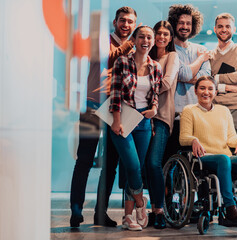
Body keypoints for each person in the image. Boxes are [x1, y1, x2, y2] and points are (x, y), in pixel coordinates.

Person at [69, 6, 137, 228]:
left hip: (116, 108)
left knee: (111, 165)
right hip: (92, 104)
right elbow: (108, 58)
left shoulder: (133, 48)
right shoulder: (101, 40)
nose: (126, 25)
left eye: (130, 22)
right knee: (85, 160)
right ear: (115, 21)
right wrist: (130, 44)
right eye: (123, 20)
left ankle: (101, 213)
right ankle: (76, 211)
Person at [179, 76, 237, 227]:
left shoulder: (223, 111)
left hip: (225, 158)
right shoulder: (189, 111)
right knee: (223, 158)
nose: (206, 92)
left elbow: (231, 138)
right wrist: (193, 140)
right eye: (202, 88)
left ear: (215, 92)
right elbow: (183, 138)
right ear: (195, 91)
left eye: (210, 89)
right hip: (204, 157)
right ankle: (230, 208)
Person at [109, 25, 161, 231]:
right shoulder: (122, 62)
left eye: (149, 37)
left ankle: (128, 216)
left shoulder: (155, 66)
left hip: (144, 121)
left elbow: (155, 92)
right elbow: (114, 92)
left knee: (137, 169)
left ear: (153, 41)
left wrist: (154, 109)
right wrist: (116, 119)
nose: (145, 41)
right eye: (141, 37)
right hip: (123, 119)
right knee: (131, 165)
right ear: (134, 39)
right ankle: (141, 202)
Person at [165, 4, 211, 159]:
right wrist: (200, 59)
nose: (185, 27)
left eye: (188, 23)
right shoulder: (169, 49)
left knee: (196, 161)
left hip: (196, 115)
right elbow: (185, 74)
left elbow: (205, 79)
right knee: (169, 158)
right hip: (174, 115)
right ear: (174, 24)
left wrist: (185, 75)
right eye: (181, 23)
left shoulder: (199, 48)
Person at [146, 20, 180, 229]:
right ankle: (147, 210)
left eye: (166, 34)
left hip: (161, 116)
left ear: (170, 38)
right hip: (141, 116)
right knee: (143, 166)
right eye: (158, 33)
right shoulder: (146, 56)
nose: (161, 37)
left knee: (153, 163)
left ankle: (159, 210)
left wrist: (140, 91)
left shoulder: (172, 57)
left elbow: (166, 83)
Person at [209, 13, 237, 140]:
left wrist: (216, 78)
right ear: (215, 29)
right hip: (216, 108)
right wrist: (228, 87)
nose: (224, 29)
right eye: (220, 26)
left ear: (234, 29)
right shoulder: (210, 55)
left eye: (228, 26)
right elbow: (206, 83)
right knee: (219, 151)